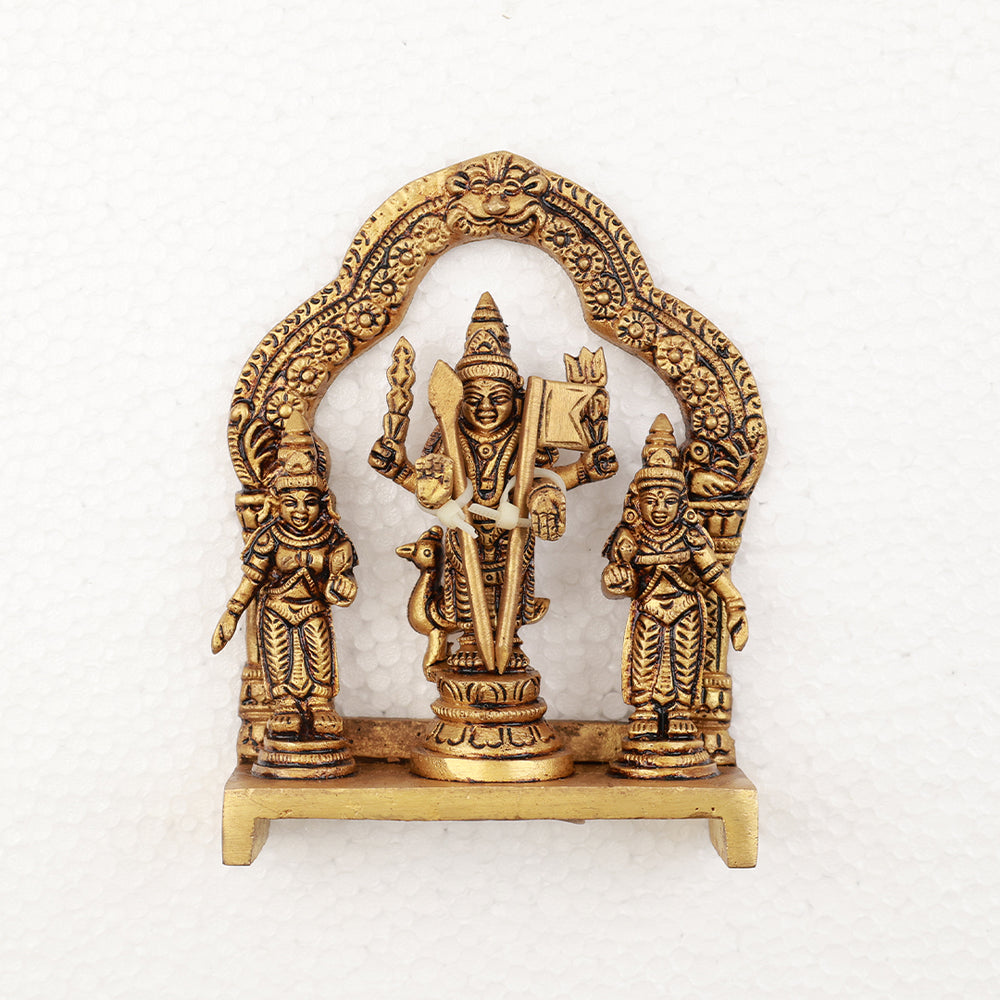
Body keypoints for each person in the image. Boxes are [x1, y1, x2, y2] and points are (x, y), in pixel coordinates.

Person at [371, 291, 616, 672]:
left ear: (517, 400)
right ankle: (470, 642)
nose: (485, 407)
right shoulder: (448, 438)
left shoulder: (526, 439)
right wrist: (400, 470)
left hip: (511, 536)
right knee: (465, 593)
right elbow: (432, 488)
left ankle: (509, 645)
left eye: (498, 398)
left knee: (511, 592)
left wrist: (584, 471)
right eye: (473, 399)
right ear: (458, 403)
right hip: (464, 534)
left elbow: (544, 480)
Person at [603, 414, 748, 741]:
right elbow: (615, 578)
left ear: (681, 503)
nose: (660, 509)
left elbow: (713, 572)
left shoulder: (689, 536)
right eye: (651, 501)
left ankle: (681, 710)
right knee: (645, 659)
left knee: (685, 659)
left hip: (685, 609)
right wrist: (616, 578)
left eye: (669, 501)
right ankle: (644, 709)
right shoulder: (631, 536)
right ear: (636, 502)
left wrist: (735, 603)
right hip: (648, 608)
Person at [212, 412, 358, 738]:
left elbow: (343, 580)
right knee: (280, 658)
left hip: (314, 608)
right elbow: (252, 580)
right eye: (291, 503)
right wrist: (232, 613)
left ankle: (319, 704)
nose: (301, 511)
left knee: (318, 654)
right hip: (277, 609)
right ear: (277, 504)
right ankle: (286, 705)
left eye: (310, 503)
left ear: (323, 503)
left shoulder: (332, 538)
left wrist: (342, 586)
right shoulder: (270, 537)